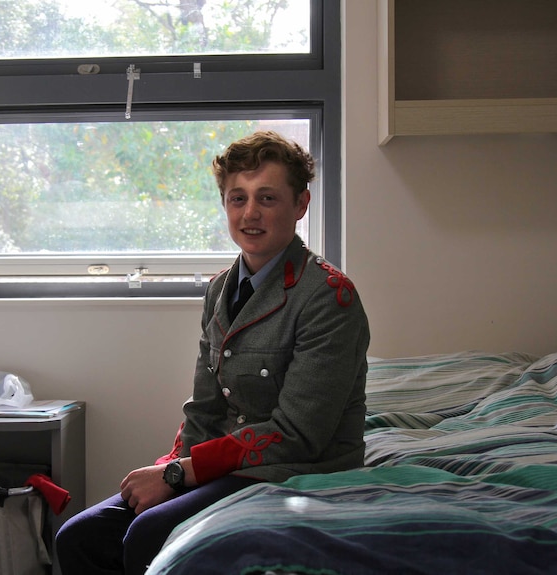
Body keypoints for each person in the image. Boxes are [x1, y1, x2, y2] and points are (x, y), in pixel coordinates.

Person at [55, 131, 370, 575]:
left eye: (267, 198)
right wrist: (170, 466)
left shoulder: (329, 298)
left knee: (149, 534)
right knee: (79, 535)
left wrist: (178, 475)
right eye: (237, 198)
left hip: (297, 469)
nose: (250, 213)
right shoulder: (220, 289)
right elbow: (205, 406)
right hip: (225, 465)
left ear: (300, 205)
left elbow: (298, 434)